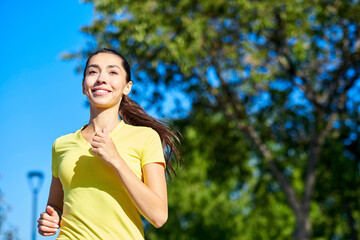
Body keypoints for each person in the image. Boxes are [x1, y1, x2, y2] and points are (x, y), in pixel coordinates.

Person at [37, 48, 182, 239]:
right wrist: (51, 219)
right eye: (93, 72)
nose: (101, 79)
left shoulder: (146, 137)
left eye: (112, 72)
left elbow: (158, 216)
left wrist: (116, 160)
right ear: (83, 86)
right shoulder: (61, 144)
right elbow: (56, 206)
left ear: (127, 87)